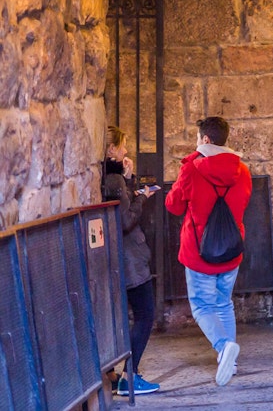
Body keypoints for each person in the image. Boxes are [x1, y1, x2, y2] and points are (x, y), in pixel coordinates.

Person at [165, 117, 252, 387]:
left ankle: (224, 346)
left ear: (204, 140)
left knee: (202, 306)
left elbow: (174, 206)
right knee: (224, 302)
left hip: (199, 253)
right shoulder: (243, 171)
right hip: (230, 250)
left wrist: (189, 164)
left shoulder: (192, 169)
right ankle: (231, 362)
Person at [102, 126, 161, 396]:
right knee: (145, 315)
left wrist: (129, 179)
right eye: (122, 146)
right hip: (130, 261)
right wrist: (143, 199)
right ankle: (130, 376)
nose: (125, 151)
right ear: (111, 149)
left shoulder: (113, 178)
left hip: (123, 259)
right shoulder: (112, 182)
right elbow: (125, 220)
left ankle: (119, 374)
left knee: (130, 316)